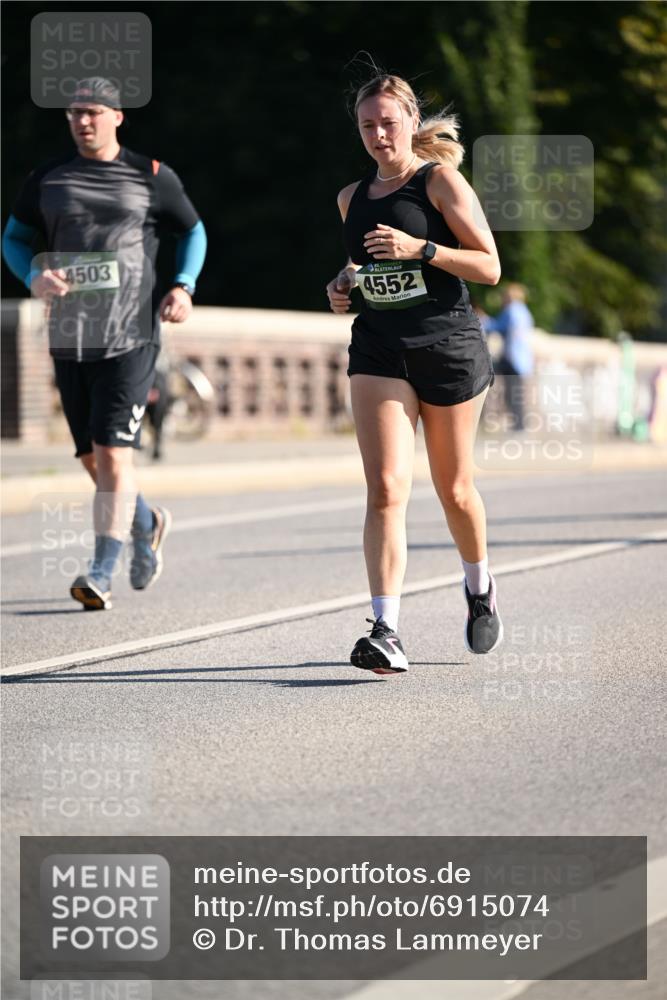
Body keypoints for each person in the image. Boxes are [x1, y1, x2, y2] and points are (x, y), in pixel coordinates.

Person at [2, 77, 207, 610]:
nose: (82, 121)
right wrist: (33, 277)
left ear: (117, 116)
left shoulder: (151, 175)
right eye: (73, 113)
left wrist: (183, 285)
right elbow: (13, 238)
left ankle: (99, 571)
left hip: (131, 336)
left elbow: (194, 231)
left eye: (92, 112)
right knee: (94, 459)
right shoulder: (47, 178)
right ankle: (147, 520)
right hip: (70, 338)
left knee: (115, 456)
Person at [326, 73, 502, 674]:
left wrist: (421, 249)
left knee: (454, 489)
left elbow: (489, 266)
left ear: (410, 121)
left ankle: (479, 586)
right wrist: (345, 282)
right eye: (367, 126)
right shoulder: (352, 197)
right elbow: (361, 261)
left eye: (388, 123)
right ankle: (385, 629)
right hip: (378, 350)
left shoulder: (440, 182)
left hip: (447, 348)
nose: (378, 135)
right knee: (385, 488)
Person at [478, 283, 534, 432]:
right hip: (523, 360)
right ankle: (519, 426)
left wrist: (483, 320)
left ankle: (518, 427)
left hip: (512, 358)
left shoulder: (511, 310)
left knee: (510, 394)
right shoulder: (524, 311)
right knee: (517, 395)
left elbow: (497, 327)